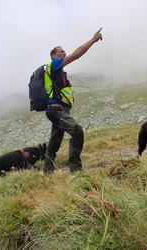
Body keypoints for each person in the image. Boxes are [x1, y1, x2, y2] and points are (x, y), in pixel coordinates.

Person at [44, 28, 103, 174]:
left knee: (55, 142)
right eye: (61, 51)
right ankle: (75, 170)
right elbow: (77, 54)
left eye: (64, 51)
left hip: (57, 109)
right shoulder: (55, 64)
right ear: (54, 55)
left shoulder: (56, 71)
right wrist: (93, 40)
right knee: (77, 131)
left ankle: (47, 171)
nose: (64, 53)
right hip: (56, 110)